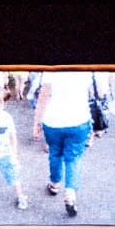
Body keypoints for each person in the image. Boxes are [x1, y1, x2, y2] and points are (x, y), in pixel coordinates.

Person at [32, 71, 93, 216]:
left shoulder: (51, 69)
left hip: (53, 120)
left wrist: (36, 122)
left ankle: (54, 185)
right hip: (79, 120)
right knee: (73, 158)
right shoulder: (86, 69)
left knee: (55, 153)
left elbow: (43, 96)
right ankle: (70, 193)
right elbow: (95, 94)